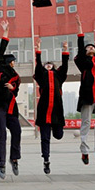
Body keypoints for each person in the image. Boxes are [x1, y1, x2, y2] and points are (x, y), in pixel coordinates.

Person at [74, 15, 95, 165]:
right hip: (87, 96)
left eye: (92, 47)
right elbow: (80, 47)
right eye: (88, 48)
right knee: (86, 122)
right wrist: (80, 27)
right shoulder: (82, 62)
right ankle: (84, 151)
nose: (91, 48)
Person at [0, 20, 22, 179]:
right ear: (8, 61)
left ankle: (14, 158)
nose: (14, 63)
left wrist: (13, 88)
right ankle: (2, 164)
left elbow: (16, 91)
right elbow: (1, 50)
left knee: (17, 130)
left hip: (11, 108)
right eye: (13, 61)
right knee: (1, 134)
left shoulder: (16, 76)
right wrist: (5, 33)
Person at [33, 39, 69, 174]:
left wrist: (65, 49)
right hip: (44, 111)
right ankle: (46, 160)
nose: (48, 65)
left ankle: (57, 132)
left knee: (58, 135)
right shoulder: (41, 76)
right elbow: (38, 66)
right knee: (45, 138)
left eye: (50, 64)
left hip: (57, 111)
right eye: (46, 64)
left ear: (54, 67)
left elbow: (65, 65)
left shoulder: (59, 75)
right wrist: (38, 50)